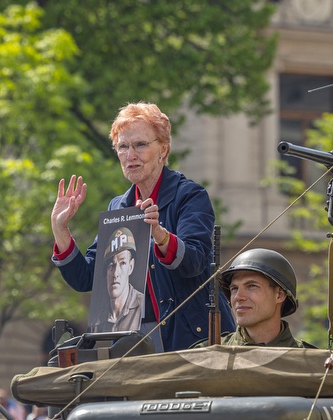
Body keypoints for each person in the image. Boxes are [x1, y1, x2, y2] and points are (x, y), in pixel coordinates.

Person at [50, 101, 235, 351]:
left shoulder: (189, 195)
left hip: (188, 339)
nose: (130, 155)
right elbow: (86, 279)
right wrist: (61, 229)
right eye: (123, 147)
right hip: (130, 341)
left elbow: (195, 261)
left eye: (140, 145)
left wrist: (160, 236)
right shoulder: (120, 206)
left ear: (163, 150)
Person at [196, 248, 314, 348]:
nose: (238, 297)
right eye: (234, 289)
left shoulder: (312, 362)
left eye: (251, 286)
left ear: (279, 295)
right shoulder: (203, 354)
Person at [89, 227, 145, 333]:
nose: (115, 274)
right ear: (105, 271)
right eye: (111, 265)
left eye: (122, 263)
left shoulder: (142, 305)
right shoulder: (97, 317)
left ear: (131, 266)